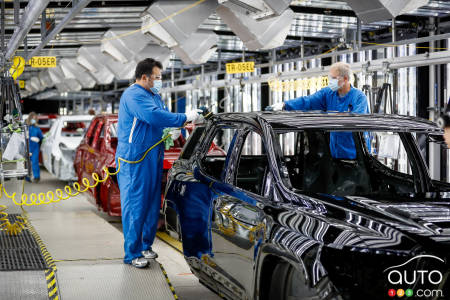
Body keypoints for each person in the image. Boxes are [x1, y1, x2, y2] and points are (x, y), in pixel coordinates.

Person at [116, 58, 202, 268]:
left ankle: (145, 245)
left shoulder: (153, 95)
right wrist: (184, 117)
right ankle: (132, 253)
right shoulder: (134, 95)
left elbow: (159, 118)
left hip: (153, 154)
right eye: (157, 77)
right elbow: (153, 116)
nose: (160, 81)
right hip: (135, 157)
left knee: (152, 204)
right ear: (144, 77)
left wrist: (170, 129)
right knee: (136, 205)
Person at [268, 62, 369, 159]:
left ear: (345, 79)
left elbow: (356, 122)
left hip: (357, 155)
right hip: (335, 154)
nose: (330, 81)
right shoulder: (328, 93)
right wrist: (285, 105)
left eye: (334, 78)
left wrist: (336, 116)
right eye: (330, 78)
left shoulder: (359, 98)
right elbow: (308, 101)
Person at [27, 112, 43, 183]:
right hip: (28, 146)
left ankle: (36, 177)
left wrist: (39, 139)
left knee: (35, 162)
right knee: (27, 163)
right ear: (29, 119)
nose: (33, 120)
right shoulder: (26, 127)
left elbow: (41, 136)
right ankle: (27, 177)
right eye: (32, 118)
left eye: (34, 118)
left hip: (35, 147)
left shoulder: (37, 128)